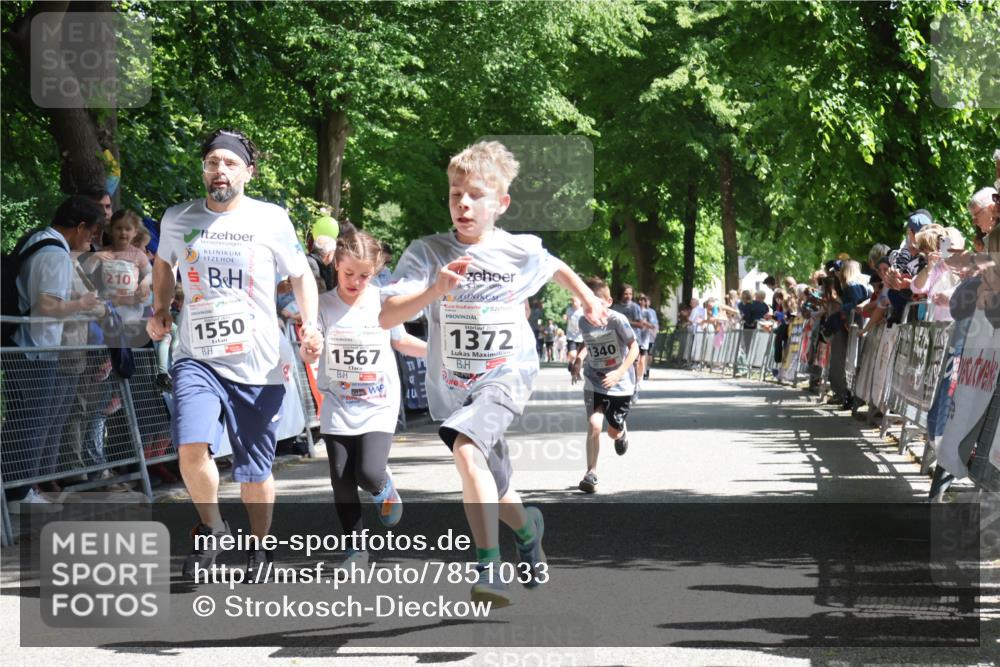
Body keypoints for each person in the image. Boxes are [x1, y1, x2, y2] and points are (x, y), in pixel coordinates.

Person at [379, 140, 606, 607]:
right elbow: (387, 316)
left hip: (506, 375)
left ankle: (488, 568)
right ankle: (528, 529)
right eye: (455, 194)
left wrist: (587, 298)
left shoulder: (517, 249)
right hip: (455, 388)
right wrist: (435, 290)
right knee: (494, 485)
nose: (463, 203)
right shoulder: (428, 252)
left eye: (475, 195)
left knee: (466, 451)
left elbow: (555, 266)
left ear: (501, 203)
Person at [146, 128, 321, 580]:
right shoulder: (178, 218)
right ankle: (213, 527)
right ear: (204, 170)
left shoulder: (271, 219)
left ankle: (259, 547)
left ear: (249, 172)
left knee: (254, 470)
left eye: (229, 163)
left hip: (258, 363)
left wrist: (311, 324)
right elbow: (163, 264)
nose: (219, 170)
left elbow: (301, 274)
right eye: (212, 162)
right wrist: (160, 309)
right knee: (190, 445)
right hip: (197, 356)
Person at [303, 230, 427, 568]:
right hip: (337, 401)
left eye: (364, 275)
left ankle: (384, 488)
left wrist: (437, 354)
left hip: (378, 402)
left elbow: (401, 341)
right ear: (336, 264)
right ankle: (356, 550)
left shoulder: (382, 302)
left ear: (375, 272)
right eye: (349, 274)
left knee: (369, 473)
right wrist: (309, 349)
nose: (356, 282)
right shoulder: (323, 305)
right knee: (341, 479)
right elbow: (309, 351)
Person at [3, 195, 104, 512]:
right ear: (80, 226)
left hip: (24, 346)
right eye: (91, 234)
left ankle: (16, 491)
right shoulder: (55, 254)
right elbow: (47, 306)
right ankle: (17, 495)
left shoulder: (36, 240)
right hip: (36, 351)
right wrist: (82, 304)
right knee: (30, 424)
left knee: (24, 422)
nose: (91, 242)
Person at [572, 277, 639, 493]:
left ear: (608, 302)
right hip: (595, 379)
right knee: (594, 423)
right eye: (586, 304)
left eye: (595, 303)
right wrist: (579, 360)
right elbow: (588, 343)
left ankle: (621, 431)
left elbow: (634, 348)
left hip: (621, 383)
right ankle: (591, 473)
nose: (590, 309)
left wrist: (619, 373)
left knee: (612, 433)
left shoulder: (617, 320)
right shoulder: (583, 321)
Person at [84, 209, 153, 342]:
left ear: (135, 232)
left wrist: (145, 283)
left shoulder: (138, 255)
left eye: (128, 229)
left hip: (130, 308)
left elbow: (151, 273)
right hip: (107, 305)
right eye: (118, 228)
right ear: (111, 230)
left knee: (123, 340)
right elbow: (86, 271)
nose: (123, 232)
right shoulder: (104, 252)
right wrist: (95, 257)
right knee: (107, 339)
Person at [637, 293, 658, 380]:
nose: (641, 302)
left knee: (643, 357)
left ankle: (643, 374)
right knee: (636, 358)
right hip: (635, 337)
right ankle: (636, 375)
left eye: (643, 300)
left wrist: (645, 323)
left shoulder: (649, 312)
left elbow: (653, 325)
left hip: (645, 337)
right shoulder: (634, 309)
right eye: (640, 300)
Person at [564, 296, 585, 377]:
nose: (574, 303)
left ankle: (577, 372)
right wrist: (565, 318)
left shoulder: (583, 311)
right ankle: (570, 362)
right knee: (573, 354)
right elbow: (566, 318)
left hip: (581, 336)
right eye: (573, 301)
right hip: (571, 336)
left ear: (580, 302)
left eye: (576, 301)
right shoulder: (569, 310)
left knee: (580, 356)